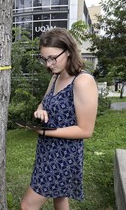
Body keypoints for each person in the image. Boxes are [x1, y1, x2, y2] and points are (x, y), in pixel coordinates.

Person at [20, 27, 98, 210]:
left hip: (64, 156)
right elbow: (42, 104)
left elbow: (86, 130)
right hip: (47, 151)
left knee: (27, 205)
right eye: (44, 59)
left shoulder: (82, 81)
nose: (48, 64)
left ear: (69, 52)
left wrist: (45, 131)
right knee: (60, 199)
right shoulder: (55, 77)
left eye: (52, 58)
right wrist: (40, 112)